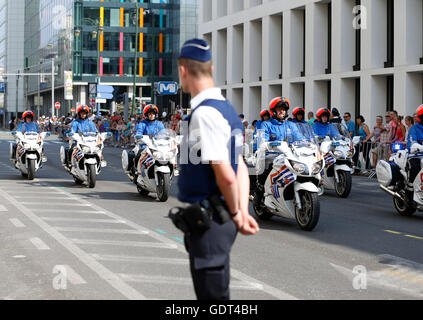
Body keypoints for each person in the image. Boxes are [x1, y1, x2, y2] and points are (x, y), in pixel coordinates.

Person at [175, 38, 259, 300]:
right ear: (211, 69)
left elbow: (225, 173)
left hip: (211, 220)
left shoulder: (204, 114)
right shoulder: (227, 110)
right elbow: (240, 166)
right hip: (218, 218)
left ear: (183, 70)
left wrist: (236, 213)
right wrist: (242, 211)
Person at [405, 105, 423, 206]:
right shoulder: (414, 129)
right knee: (415, 168)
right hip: (416, 155)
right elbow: (412, 142)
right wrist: (417, 146)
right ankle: (409, 194)